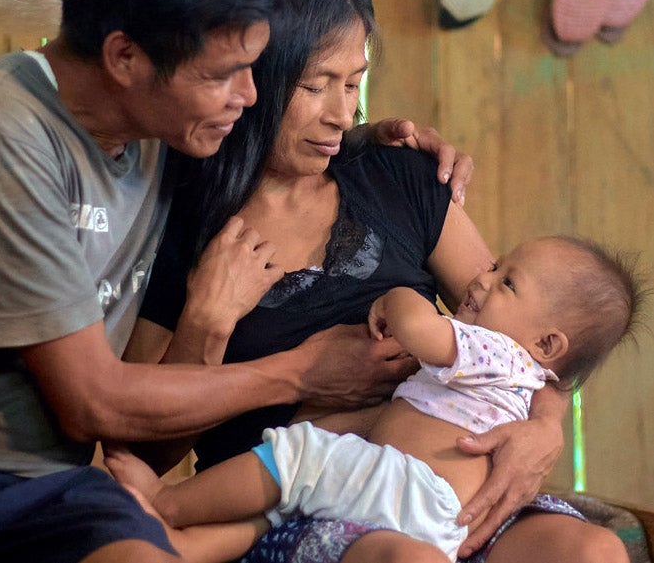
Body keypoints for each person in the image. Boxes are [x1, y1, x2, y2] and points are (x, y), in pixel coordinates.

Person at [0, 0, 467, 562]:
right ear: (125, 58)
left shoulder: (160, 133)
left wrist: (372, 140)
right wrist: (300, 372)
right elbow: (92, 402)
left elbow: (280, 145)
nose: (249, 95)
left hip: (46, 487)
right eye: (224, 74)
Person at [121, 0, 632, 563]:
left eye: (354, 84)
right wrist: (207, 323)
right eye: (317, 86)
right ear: (254, 74)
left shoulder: (400, 177)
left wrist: (545, 431)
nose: (342, 113)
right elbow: (145, 452)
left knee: (592, 551)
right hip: (305, 498)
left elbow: (529, 332)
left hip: (451, 495)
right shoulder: (185, 220)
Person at [110, 235, 642, 563]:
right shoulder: (527, 375)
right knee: (293, 493)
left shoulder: (495, 351)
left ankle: (165, 505)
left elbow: (419, 330)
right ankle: (187, 547)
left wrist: (400, 298)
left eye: (506, 282)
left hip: (408, 489)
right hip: (432, 517)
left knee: (296, 462)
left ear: (547, 345)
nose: (479, 278)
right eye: (495, 265)